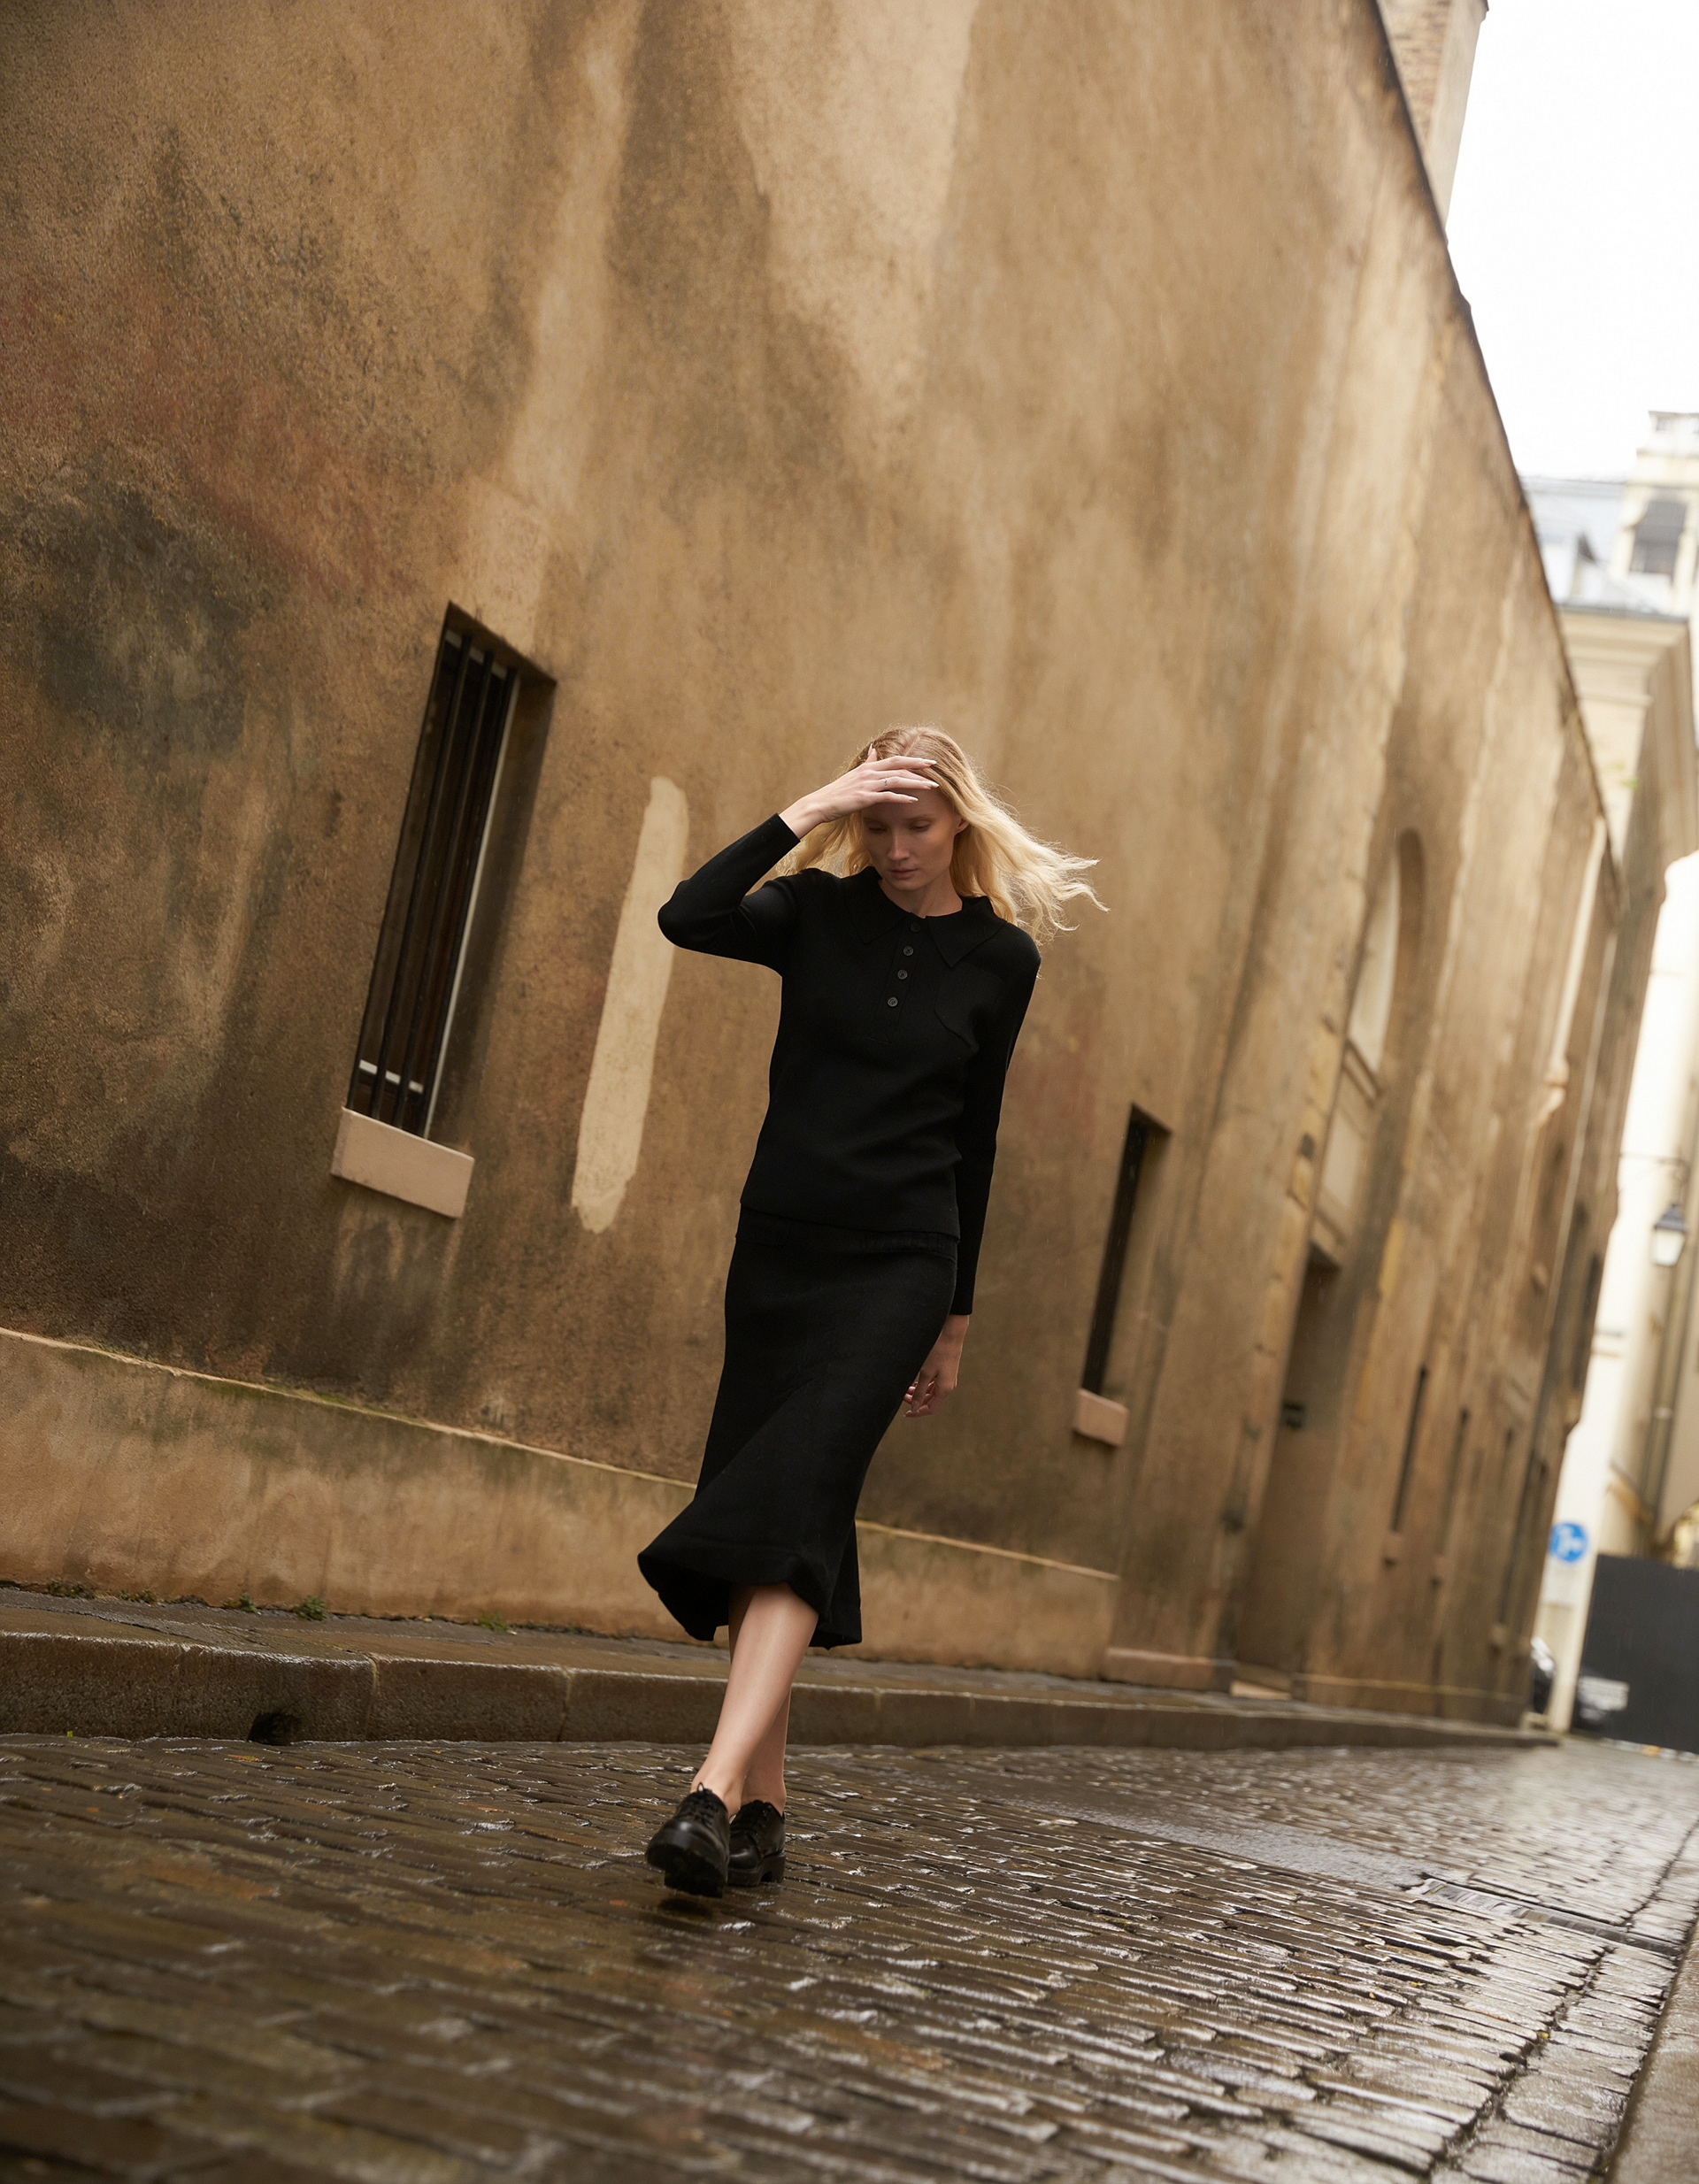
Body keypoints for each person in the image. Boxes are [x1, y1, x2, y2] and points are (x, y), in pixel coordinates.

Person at [636, 727, 1100, 1896]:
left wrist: (955, 1316)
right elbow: (685, 916)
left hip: (901, 1262)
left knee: (795, 1500)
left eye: (918, 825)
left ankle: (709, 1790)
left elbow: (977, 1141)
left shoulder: (1001, 961)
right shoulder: (811, 915)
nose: (897, 849)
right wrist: (805, 808)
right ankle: (767, 1812)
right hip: (782, 1249)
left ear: (959, 826)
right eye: (878, 824)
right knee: (797, 1506)